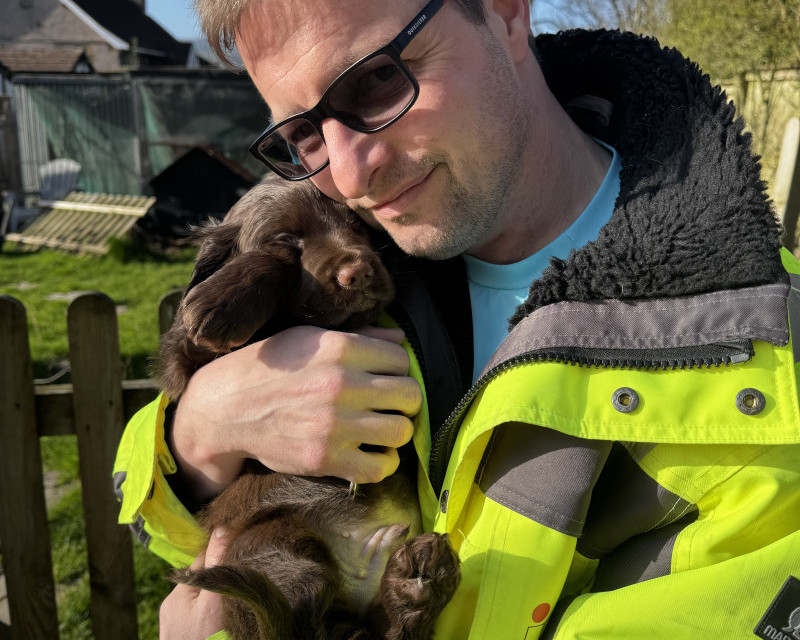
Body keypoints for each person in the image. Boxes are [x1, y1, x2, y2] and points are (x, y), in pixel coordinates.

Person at [112, 0, 800, 638]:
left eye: (378, 78)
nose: (350, 176)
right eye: (302, 132)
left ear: (505, 10)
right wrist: (201, 433)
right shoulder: (362, 250)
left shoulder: (765, 372)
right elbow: (162, 520)